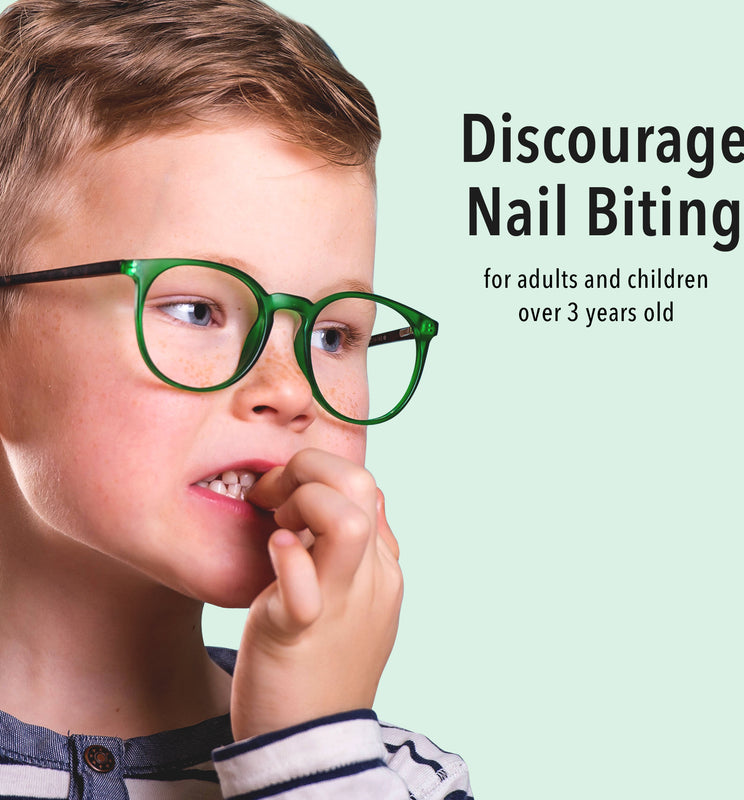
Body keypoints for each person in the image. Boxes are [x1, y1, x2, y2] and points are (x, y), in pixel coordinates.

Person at [0, 1, 472, 797]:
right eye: (197, 311)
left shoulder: (390, 779)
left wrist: (312, 751)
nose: (290, 392)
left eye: (332, 335)